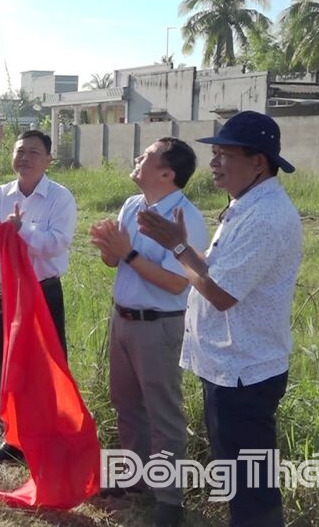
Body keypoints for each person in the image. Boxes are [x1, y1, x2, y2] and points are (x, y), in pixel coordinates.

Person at [137, 111, 302, 527]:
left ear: (258, 162)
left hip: (245, 373)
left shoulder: (265, 218)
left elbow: (221, 294)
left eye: (224, 154)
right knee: (241, 480)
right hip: (230, 367)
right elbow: (212, 269)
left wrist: (177, 248)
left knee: (251, 489)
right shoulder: (246, 206)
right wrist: (179, 246)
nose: (213, 163)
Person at [90, 137, 207, 527]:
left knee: (163, 413)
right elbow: (115, 262)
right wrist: (109, 247)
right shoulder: (131, 205)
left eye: (148, 156)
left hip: (159, 326)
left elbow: (176, 284)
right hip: (123, 320)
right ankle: (135, 479)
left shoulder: (187, 220)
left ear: (167, 174)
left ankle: (170, 500)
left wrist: (127, 252)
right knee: (126, 404)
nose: (138, 158)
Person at [0, 129, 76, 463]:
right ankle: (15, 438)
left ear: (48, 160)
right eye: (20, 151)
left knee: (46, 367)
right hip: (5, 292)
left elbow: (57, 243)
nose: (25, 158)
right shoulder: (0, 194)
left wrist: (22, 231)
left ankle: (49, 437)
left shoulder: (60, 198)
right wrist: (4, 231)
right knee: (3, 361)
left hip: (42, 293)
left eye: (34, 152)